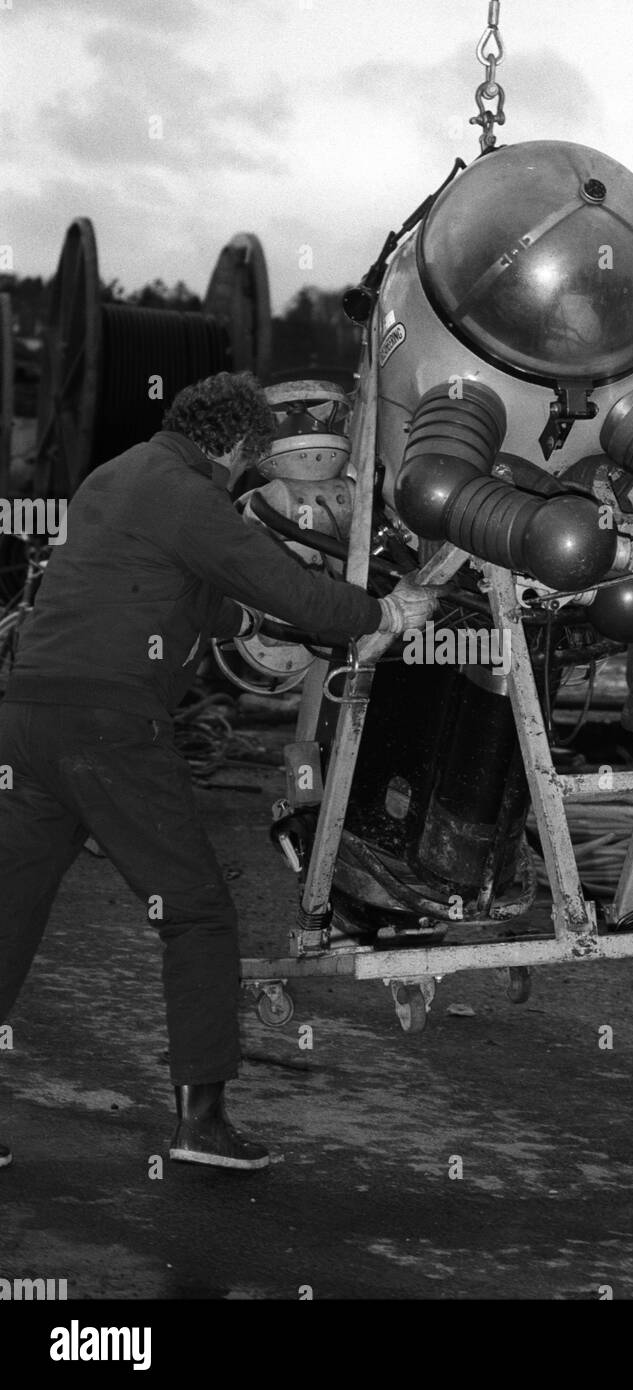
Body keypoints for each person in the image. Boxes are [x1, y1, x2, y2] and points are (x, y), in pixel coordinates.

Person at [0, 371, 439, 1172]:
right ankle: (199, 1126)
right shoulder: (191, 494)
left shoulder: (117, 475)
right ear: (238, 443)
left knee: (9, 911)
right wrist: (381, 613)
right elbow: (279, 580)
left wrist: (249, 625)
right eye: (257, 454)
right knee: (196, 915)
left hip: (28, 718)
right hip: (109, 728)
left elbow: (174, 585)